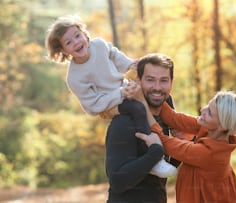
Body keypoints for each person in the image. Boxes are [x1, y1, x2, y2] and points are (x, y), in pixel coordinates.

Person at [44, 15, 176, 178]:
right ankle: (153, 159)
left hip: (122, 88)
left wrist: (129, 64)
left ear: (85, 34)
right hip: (106, 105)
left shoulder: (99, 45)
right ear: (64, 51)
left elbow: (113, 54)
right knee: (137, 108)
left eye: (77, 36)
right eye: (68, 42)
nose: (76, 42)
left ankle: (177, 137)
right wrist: (119, 93)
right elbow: (93, 106)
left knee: (158, 96)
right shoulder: (75, 77)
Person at [136, 90, 236, 203]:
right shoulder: (210, 128)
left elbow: (164, 142)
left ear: (222, 126)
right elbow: (174, 119)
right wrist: (156, 92)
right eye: (208, 105)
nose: (203, 110)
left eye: (210, 112)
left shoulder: (210, 154)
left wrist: (143, 104)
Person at [106, 53, 182, 202]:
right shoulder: (124, 122)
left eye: (164, 80)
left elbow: (161, 172)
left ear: (171, 83)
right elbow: (117, 182)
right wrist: (155, 152)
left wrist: (182, 148)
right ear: (139, 81)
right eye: (150, 80)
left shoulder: (163, 118)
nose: (157, 87)